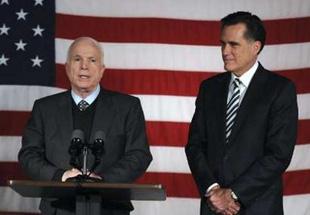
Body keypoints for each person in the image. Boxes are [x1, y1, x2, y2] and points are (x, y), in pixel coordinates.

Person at [18, 37, 152, 215]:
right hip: (58, 208)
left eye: (92, 60)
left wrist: (103, 181)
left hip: (109, 208)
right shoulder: (44, 108)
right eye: (77, 59)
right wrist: (61, 176)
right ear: (67, 67)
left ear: (102, 70)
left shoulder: (128, 107)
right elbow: (29, 154)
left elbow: (139, 154)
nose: (84, 66)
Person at [185, 11, 298, 215]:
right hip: (213, 208)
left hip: (258, 207)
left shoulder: (280, 89)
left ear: (256, 47)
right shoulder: (209, 88)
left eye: (233, 44)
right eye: (222, 43)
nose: (225, 51)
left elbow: (279, 154)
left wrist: (233, 194)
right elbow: (194, 146)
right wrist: (213, 191)